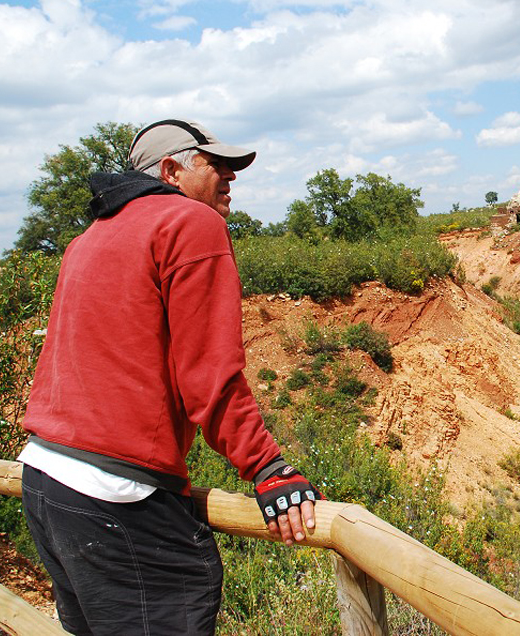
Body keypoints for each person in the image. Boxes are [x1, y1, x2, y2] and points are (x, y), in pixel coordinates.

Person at [18, 119, 321, 636]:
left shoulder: (89, 237)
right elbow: (209, 373)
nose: (230, 176)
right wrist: (269, 468)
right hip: (117, 493)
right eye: (214, 164)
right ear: (170, 170)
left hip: (47, 481)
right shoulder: (189, 224)